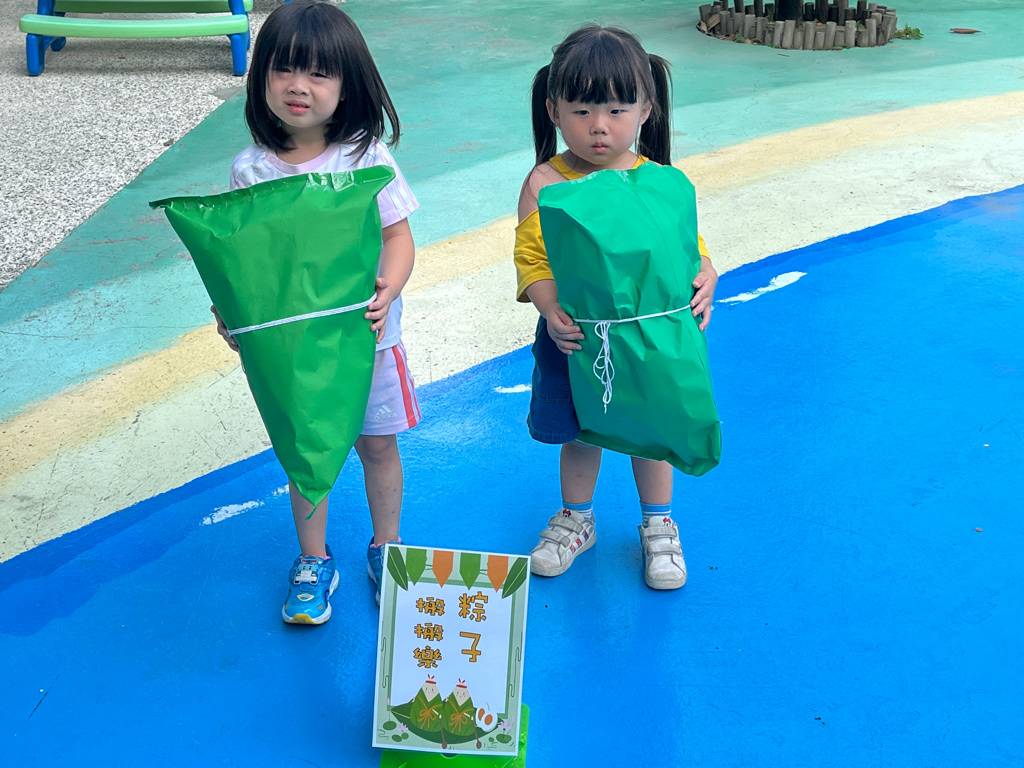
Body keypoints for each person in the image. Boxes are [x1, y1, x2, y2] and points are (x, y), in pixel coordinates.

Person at [212, 0, 420, 621]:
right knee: (306, 455)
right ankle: (313, 559)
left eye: (319, 73)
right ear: (261, 77)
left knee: (377, 447)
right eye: (284, 69)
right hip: (296, 353)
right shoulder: (251, 169)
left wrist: (389, 288)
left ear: (347, 85)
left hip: (367, 343)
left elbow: (398, 236)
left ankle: (387, 546)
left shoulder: (365, 157)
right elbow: (246, 259)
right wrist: (231, 311)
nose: (299, 86)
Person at [514, 25, 718, 590]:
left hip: (649, 336)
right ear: (554, 111)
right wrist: (549, 307)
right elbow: (532, 255)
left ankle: (659, 523)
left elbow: (684, 245)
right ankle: (577, 517)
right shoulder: (547, 181)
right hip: (575, 337)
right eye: (581, 111)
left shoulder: (660, 181)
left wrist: (707, 272)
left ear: (646, 109)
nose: (598, 125)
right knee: (580, 432)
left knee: (652, 428)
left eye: (615, 109)